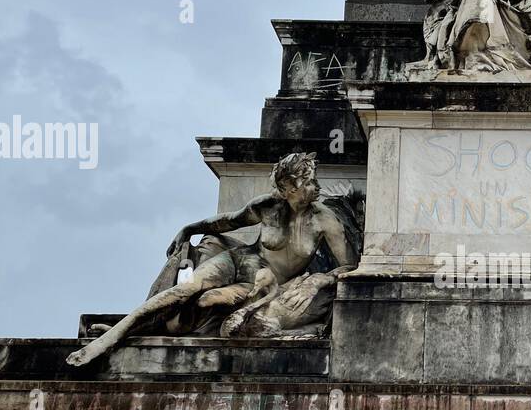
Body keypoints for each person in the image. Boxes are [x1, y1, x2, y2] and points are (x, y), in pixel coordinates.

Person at [66, 153, 357, 366]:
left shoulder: (324, 220)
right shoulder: (268, 206)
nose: (317, 187)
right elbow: (228, 221)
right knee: (186, 290)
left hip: (260, 282)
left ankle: (135, 330)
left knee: (206, 302)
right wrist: (189, 229)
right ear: (289, 188)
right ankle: (110, 339)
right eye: (309, 182)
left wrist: (321, 278)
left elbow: (350, 264)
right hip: (239, 260)